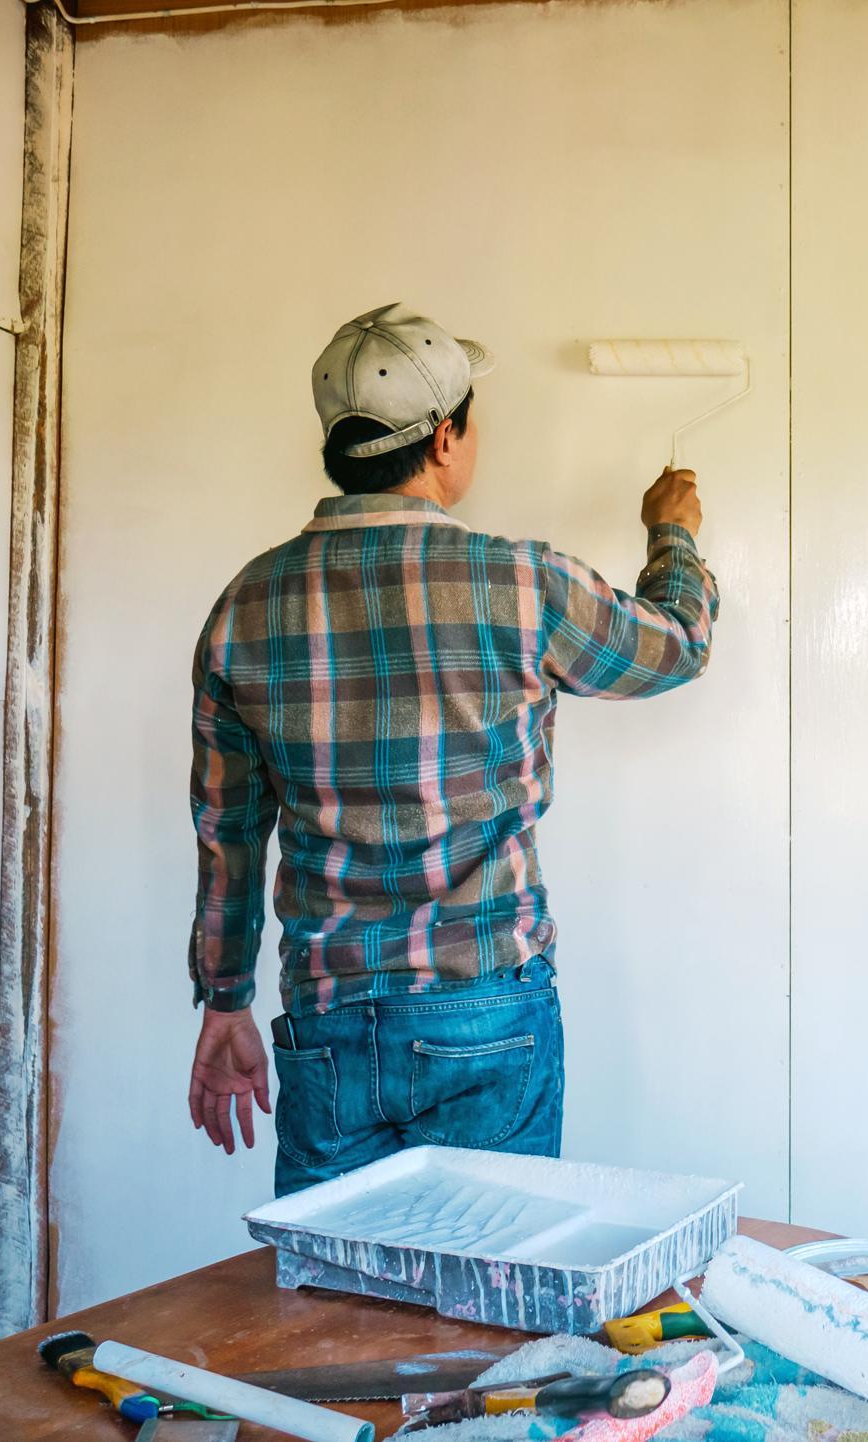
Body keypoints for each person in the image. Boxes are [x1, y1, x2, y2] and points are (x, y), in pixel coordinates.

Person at [183, 303, 718, 1195]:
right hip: (486, 1007)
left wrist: (225, 998)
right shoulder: (520, 583)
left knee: (332, 1319)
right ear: (443, 440)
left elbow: (227, 830)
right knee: (488, 1305)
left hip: (328, 1023)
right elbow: (676, 645)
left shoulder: (246, 605)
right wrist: (674, 533)